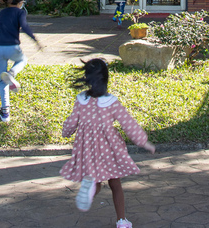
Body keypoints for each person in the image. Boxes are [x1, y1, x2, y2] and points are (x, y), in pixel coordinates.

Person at [61, 58, 155, 228]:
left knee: (95, 181)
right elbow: (128, 124)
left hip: (87, 150)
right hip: (108, 150)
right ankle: (121, 221)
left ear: (87, 78)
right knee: (115, 183)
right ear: (106, 78)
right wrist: (144, 142)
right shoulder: (111, 102)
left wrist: (65, 132)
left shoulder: (81, 100)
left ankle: (90, 191)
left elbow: (71, 122)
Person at [0, 0, 42, 123]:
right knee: (23, 59)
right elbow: (24, 27)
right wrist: (35, 40)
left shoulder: (2, 12)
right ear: (21, 2)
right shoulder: (20, 12)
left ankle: (5, 112)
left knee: (2, 80)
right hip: (11, 46)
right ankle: (12, 73)